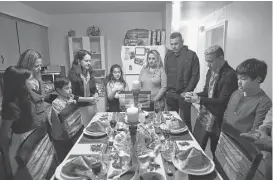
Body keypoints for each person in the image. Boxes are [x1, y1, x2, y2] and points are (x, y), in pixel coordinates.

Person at [0, 66, 55, 180]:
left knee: (44, 169)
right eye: (30, 79)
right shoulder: (12, 106)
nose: (33, 82)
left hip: (37, 137)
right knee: (32, 173)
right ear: (20, 84)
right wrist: (6, 158)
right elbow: (4, 135)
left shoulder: (29, 95)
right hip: (24, 142)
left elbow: (41, 99)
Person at [185, 45, 238, 154]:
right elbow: (206, 91)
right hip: (206, 113)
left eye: (211, 61)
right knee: (198, 144)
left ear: (221, 58)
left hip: (219, 118)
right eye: (206, 61)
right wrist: (193, 95)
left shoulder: (230, 74)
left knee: (215, 150)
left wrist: (198, 99)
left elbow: (222, 101)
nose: (208, 65)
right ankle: (196, 166)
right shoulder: (211, 71)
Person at [223, 58, 272, 133]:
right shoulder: (236, 93)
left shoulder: (264, 102)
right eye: (238, 78)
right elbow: (226, 115)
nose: (239, 82)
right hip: (225, 136)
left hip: (241, 142)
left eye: (243, 79)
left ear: (258, 79)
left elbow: (255, 133)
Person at [164, 32, 200, 131]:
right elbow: (165, 73)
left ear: (182, 42)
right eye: (171, 44)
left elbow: (195, 76)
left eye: (176, 43)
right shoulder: (168, 55)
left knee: (185, 122)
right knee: (171, 121)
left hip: (184, 94)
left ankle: (188, 143)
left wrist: (187, 91)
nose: (173, 46)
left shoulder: (191, 55)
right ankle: (173, 142)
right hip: (170, 93)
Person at [49, 77, 84, 162]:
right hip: (62, 137)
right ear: (58, 90)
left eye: (70, 88)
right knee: (66, 159)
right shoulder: (56, 103)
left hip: (74, 131)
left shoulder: (70, 97)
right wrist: (68, 106)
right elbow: (61, 119)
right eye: (67, 88)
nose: (70, 90)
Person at [68, 49, 99, 127]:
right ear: (79, 61)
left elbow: (94, 89)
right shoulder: (73, 75)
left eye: (90, 61)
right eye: (86, 61)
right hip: (80, 108)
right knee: (83, 131)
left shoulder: (90, 72)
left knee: (93, 128)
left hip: (92, 106)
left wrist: (96, 95)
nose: (89, 63)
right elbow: (71, 95)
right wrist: (88, 99)